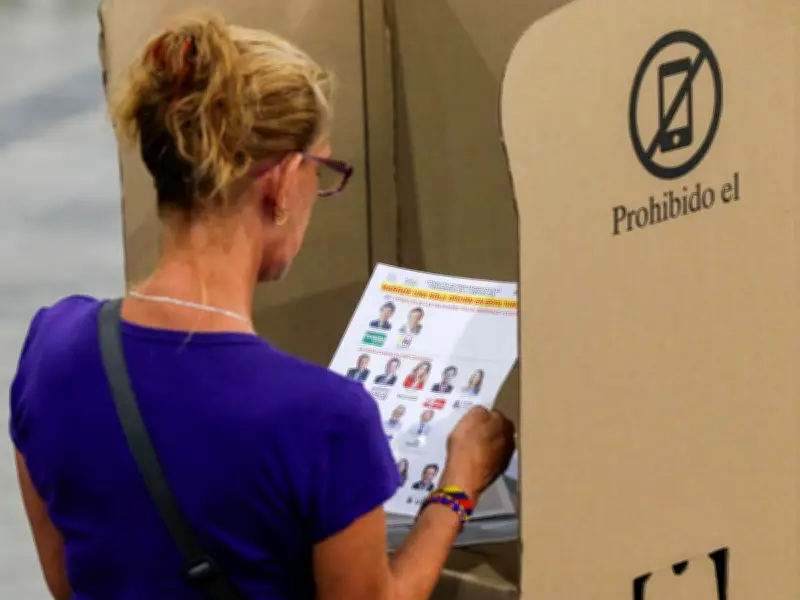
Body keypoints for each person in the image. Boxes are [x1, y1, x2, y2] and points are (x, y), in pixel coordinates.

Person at [8, 13, 515, 600]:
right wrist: (457, 488)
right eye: (321, 170)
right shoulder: (326, 418)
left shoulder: (52, 345)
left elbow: (67, 582)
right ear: (281, 182)